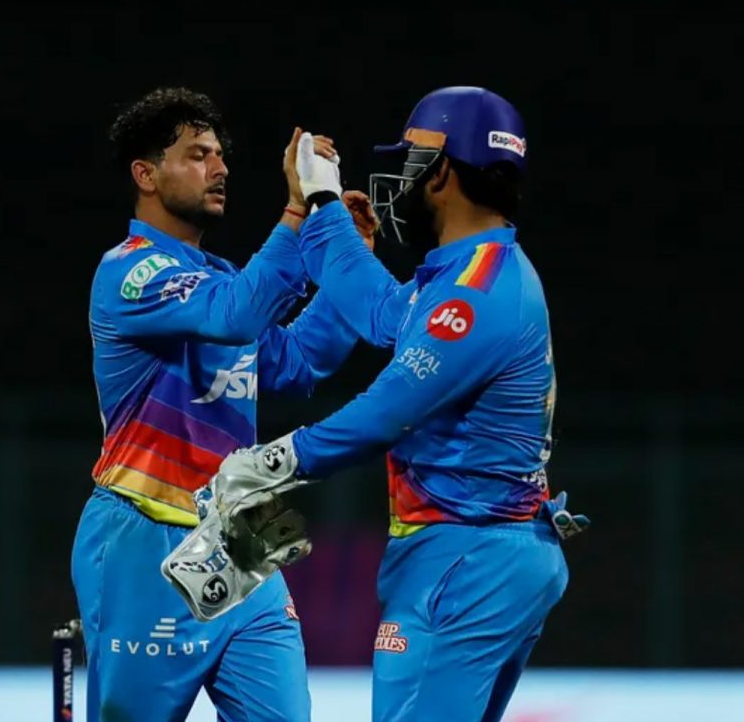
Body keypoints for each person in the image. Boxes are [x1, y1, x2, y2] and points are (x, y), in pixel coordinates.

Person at [208, 87, 589, 721]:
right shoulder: (476, 272)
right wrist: (323, 205)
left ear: (441, 173)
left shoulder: (475, 295)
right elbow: (381, 309)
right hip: (485, 552)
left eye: (412, 159)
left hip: (464, 559)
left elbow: (385, 411)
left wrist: (267, 463)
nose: (401, 176)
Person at [72, 87, 374, 721]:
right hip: (144, 539)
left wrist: (353, 268)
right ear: (146, 175)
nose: (220, 168)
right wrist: (299, 210)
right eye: (197, 154)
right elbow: (235, 315)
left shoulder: (219, 281)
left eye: (220, 155)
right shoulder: (130, 273)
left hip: (239, 538)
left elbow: (298, 362)